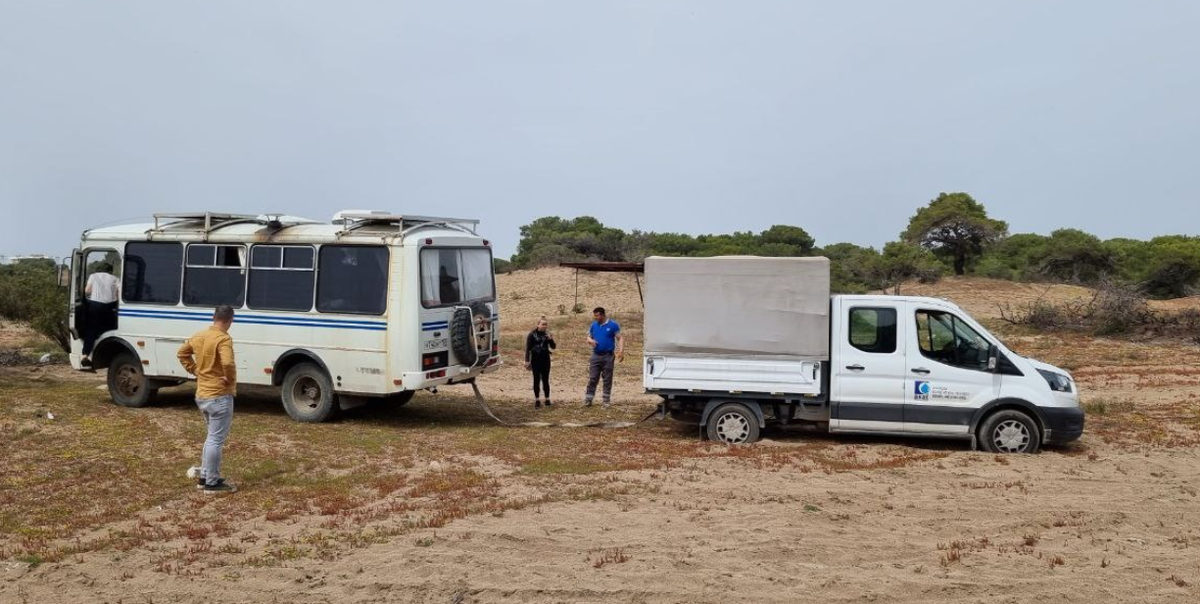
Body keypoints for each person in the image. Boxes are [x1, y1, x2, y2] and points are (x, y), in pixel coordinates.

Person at [177, 305, 238, 494]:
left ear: (214, 317)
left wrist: (194, 370)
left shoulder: (198, 336)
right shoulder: (223, 338)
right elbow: (227, 362)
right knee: (215, 440)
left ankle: (205, 476)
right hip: (219, 395)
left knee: (211, 437)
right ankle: (211, 483)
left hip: (202, 394)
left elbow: (182, 353)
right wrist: (229, 377)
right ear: (230, 320)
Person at [80, 263, 120, 368]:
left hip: (94, 305)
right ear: (110, 270)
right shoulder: (115, 278)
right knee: (109, 329)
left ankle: (85, 355)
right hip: (110, 306)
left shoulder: (93, 276)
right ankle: (108, 354)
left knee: (91, 330)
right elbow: (117, 294)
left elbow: (87, 290)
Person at [584, 307, 624, 407]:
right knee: (593, 378)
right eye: (595, 316)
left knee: (607, 379)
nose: (596, 317)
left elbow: (620, 338)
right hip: (596, 356)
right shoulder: (594, 325)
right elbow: (589, 337)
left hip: (608, 356)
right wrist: (590, 340)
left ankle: (606, 401)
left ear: (602, 315)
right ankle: (588, 400)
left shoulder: (613, 325)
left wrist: (621, 351)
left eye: (597, 315)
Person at [525, 316, 557, 408]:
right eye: (543, 324)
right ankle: (537, 400)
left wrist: (550, 339)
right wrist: (527, 361)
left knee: (546, 379)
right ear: (538, 325)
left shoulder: (547, 334)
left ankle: (547, 399)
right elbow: (527, 348)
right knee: (536, 380)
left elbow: (553, 347)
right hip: (535, 359)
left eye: (546, 325)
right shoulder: (532, 334)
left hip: (545, 359)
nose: (544, 326)